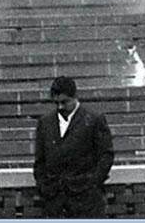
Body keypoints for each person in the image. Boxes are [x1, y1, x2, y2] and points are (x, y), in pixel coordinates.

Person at [33, 76, 115, 218]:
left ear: (75, 97)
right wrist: (45, 187)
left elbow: (106, 155)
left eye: (65, 102)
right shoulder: (45, 123)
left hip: (86, 203)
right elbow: (40, 161)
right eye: (56, 103)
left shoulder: (94, 120)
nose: (60, 107)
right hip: (55, 202)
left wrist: (92, 184)